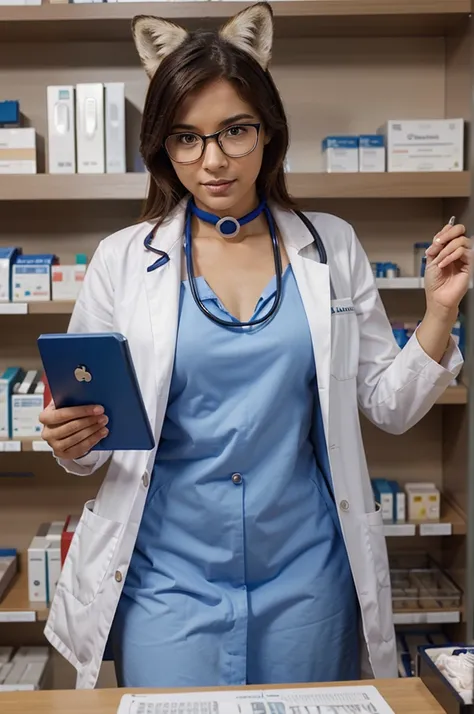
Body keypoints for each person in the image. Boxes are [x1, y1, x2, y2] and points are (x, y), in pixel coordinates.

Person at [39, 1, 470, 690]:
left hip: (307, 580)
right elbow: (91, 445)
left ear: (268, 132)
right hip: (168, 581)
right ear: (163, 146)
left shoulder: (330, 245)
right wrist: (72, 440)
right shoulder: (122, 260)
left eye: (234, 131)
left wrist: (439, 313)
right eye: (186, 138)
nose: (212, 161)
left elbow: (386, 406)